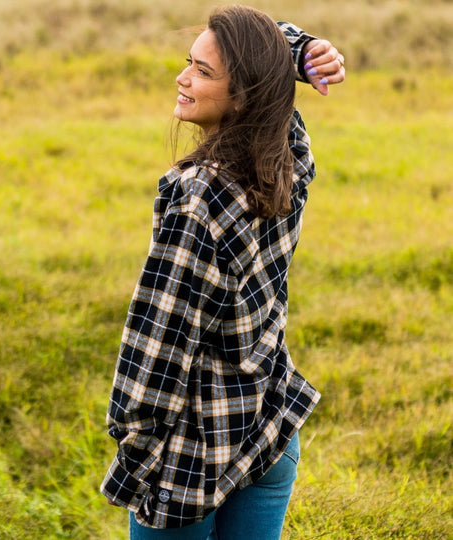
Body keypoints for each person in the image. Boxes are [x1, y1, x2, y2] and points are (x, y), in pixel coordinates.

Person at [101, 5, 345, 539]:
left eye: (203, 72)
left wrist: (134, 446)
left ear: (247, 94)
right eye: (189, 62)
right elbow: (268, 68)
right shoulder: (287, 158)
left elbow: (157, 348)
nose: (182, 77)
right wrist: (299, 50)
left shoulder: (198, 198)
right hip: (269, 425)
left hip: (191, 455)